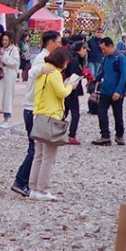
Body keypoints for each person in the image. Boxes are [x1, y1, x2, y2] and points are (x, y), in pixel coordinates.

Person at [15, 45, 80, 199]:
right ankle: (42, 189)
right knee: (48, 157)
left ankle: (33, 188)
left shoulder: (43, 71)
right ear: (62, 61)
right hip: (52, 116)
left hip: (39, 115)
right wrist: (70, 85)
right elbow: (61, 93)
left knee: (38, 154)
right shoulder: (55, 74)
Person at [92, 36, 126, 144]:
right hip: (104, 91)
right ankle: (105, 136)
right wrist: (95, 78)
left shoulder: (121, 58)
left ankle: (119, 135)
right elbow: (104, 72)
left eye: (104, 49)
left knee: (118, 114)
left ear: (111, 46)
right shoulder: (106, 58)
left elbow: (124, 75)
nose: (103, 51)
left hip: (116, 92)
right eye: (101, 49)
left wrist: (118, 91)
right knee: (101, 112)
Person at [0, 29, 21, 126]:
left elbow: (14, 63)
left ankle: (6, 119)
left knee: (7, 97)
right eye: (3, 40)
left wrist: (4, 56)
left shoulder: (14, 50)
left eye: (6, 40)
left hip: (9, 75)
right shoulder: (0, 49)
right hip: (0, 75)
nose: (4, 42)